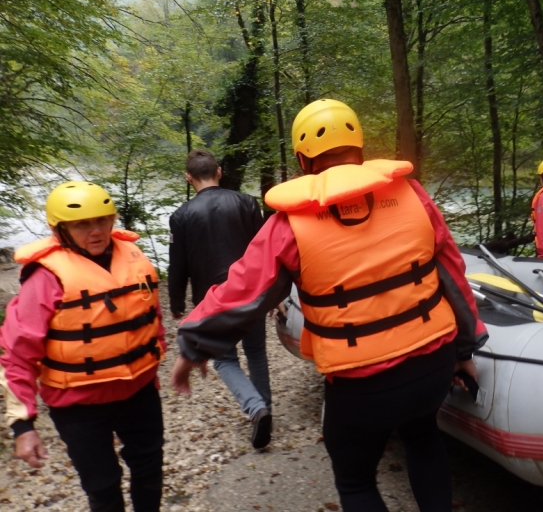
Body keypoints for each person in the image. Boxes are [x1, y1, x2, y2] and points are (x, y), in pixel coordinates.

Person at [171, 99, 488, 512]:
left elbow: (242, 291)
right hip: (432, 362)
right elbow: (452, 273)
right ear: (359, 147)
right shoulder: (412, 194)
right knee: (423, 438)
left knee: (355, 480)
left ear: (303, 159)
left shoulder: (289, 224)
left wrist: (193, 344)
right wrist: (465, 349)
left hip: (361, 383)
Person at [0, 181, 166, 511]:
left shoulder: (133, 257)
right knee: (102, 486)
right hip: (78, 404)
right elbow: (17, 354)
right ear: (60, 229)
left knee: (149, 472)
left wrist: (155, 370)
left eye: (103, 220)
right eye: (82, 224)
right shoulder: (45, 277)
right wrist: (23, 426)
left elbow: (151, 320)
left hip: (139, 392)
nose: (96, 231)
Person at [168, 149, 272, 448]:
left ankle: (256, 408)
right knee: (256, 352)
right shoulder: (246, 203)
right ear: (220, 171)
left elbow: (179, 266)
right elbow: (263, 250)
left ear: (189, 179)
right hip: (251, 292)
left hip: (212, 301)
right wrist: (273, 293)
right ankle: (266, 411)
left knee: (224, 359)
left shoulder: (181, 216)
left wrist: (177, 304)